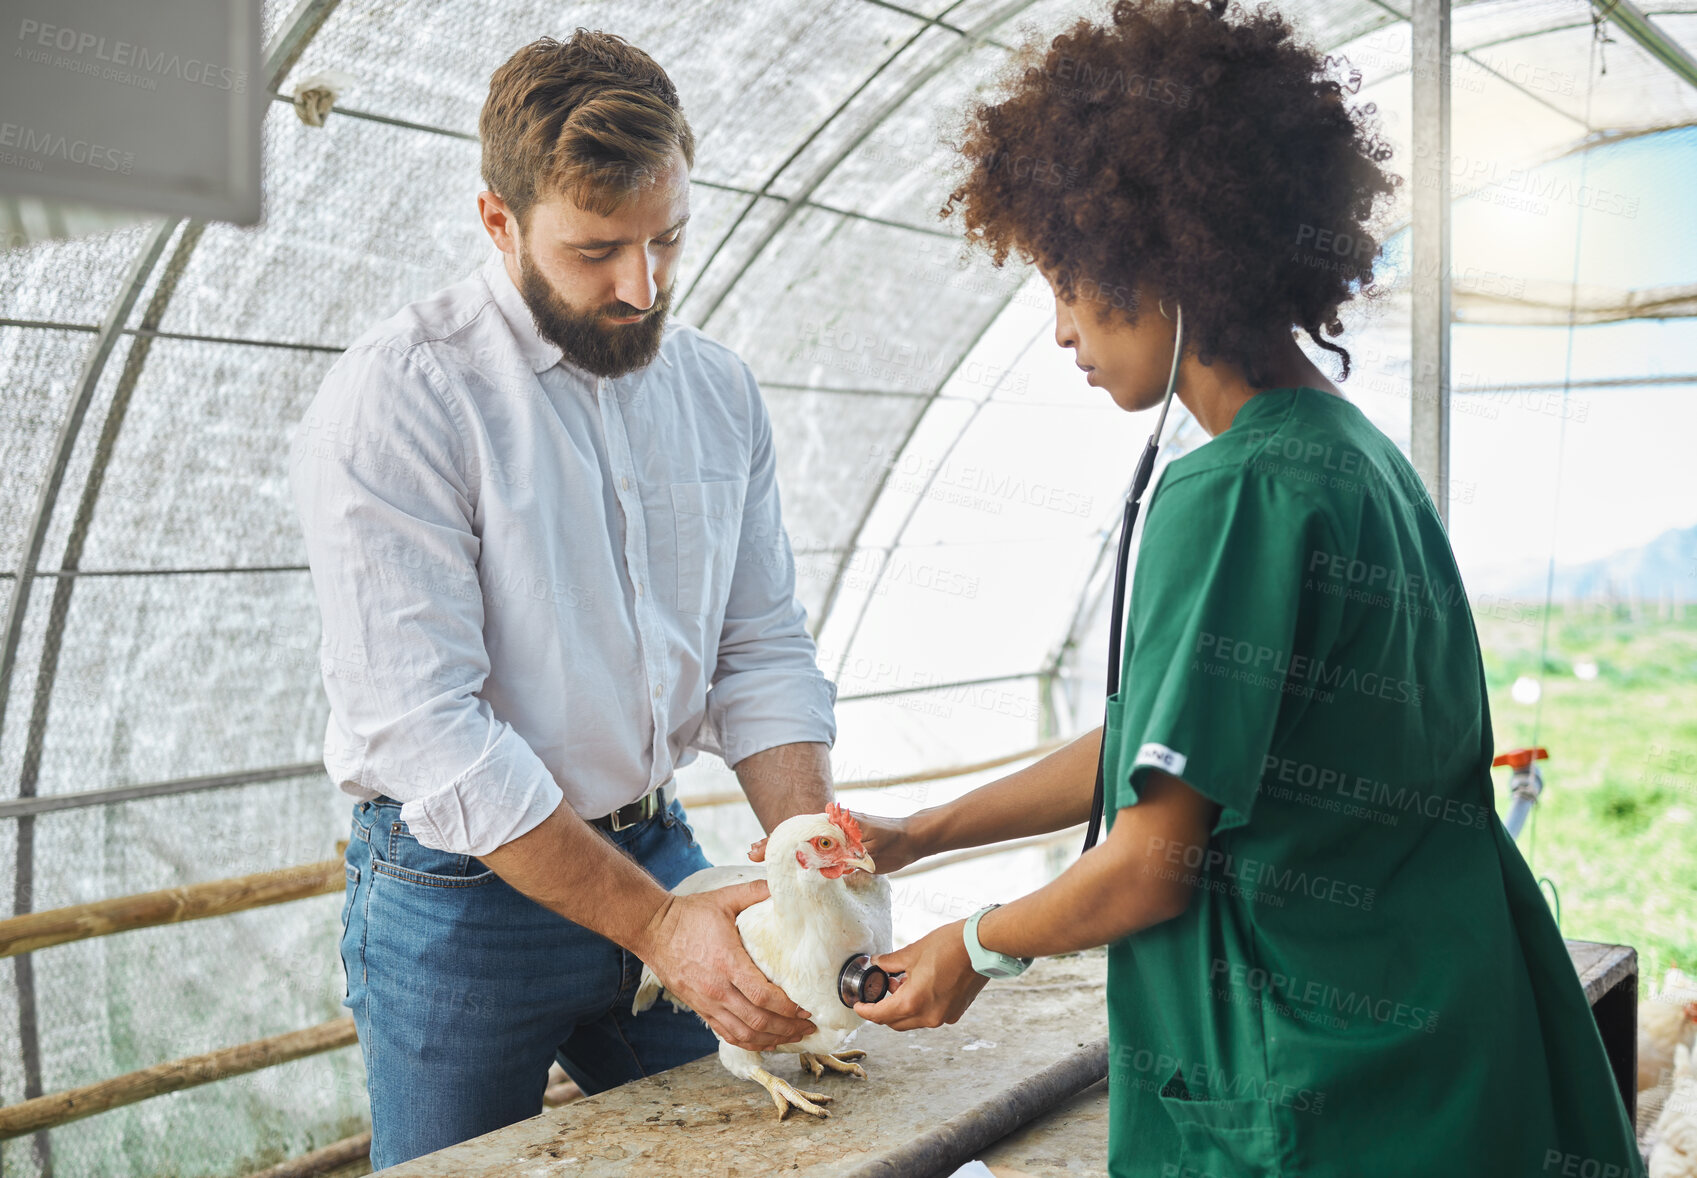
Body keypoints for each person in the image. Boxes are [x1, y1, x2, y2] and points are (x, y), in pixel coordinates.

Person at [791, 1, 1646, 1174]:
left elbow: (1153, 857)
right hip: (1435, 1049)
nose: (1058, 331)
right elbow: (1176, 741)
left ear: (1165, 256)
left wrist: (976, 947)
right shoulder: (1354, 462)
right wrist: (919, 835)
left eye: (1064, 280)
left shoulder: (1231, 493)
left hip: (1303, 1088)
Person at [289, 31, 835, 1169]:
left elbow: (758, 644)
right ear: (498, 221)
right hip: (460, 897)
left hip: (663, 844)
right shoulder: (402, 399)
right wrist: (654, 926)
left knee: (773, 1146)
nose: (642, 285)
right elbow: (431, 732)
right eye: (596, 250)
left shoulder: (715, 389)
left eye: (668, 237)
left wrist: (803, 855)